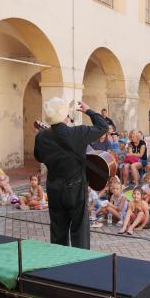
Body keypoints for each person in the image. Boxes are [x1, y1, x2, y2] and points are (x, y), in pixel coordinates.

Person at [34, 98, 108, 248]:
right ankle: (79, 265)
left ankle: (60, 263)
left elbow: (39, 157)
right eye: (68, 114)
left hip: (54, 187)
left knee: (57, 229)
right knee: (79, 228)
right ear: (64, 117)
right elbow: (103, 126)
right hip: (75, 187)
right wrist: (88, 110)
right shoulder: (77, 132)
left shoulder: (41, 136)